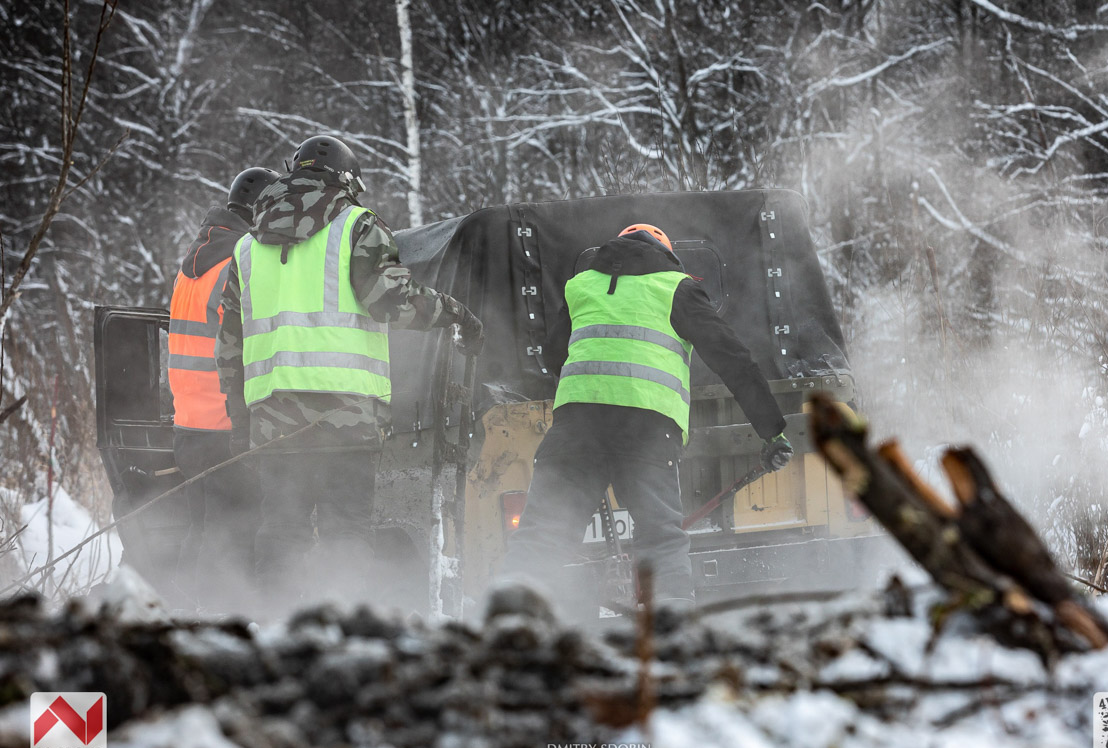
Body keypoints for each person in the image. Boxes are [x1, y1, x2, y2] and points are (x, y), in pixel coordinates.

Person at [215, 134, 483, 607]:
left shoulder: (245, 248)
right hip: (348, 415)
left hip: (275, 420)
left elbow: (230, 349)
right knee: (346, 529)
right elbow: (393, 302)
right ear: (347, 181)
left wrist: (241, 420)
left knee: (280, 527)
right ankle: (346, 630)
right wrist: (454, 313)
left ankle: (272, 627)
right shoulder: (357, 226)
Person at [499, 223, 794, 614]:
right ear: (666, 255)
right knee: (660, 539)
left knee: (542, 535)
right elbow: (732, 359)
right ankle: (670, 632)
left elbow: (555, 358)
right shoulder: (676, 287)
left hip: (576, 429)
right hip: (647, 431)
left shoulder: (581, 286)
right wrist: (771, 430)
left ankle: (505, 625)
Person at [167, 167, 277, 607]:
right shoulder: (239, 262)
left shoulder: (189, 268)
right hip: (224, 423)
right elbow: (246, 341)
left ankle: (180, 614)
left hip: (187, 425)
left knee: (202, 528)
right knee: (231, 535)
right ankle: (215, 623)